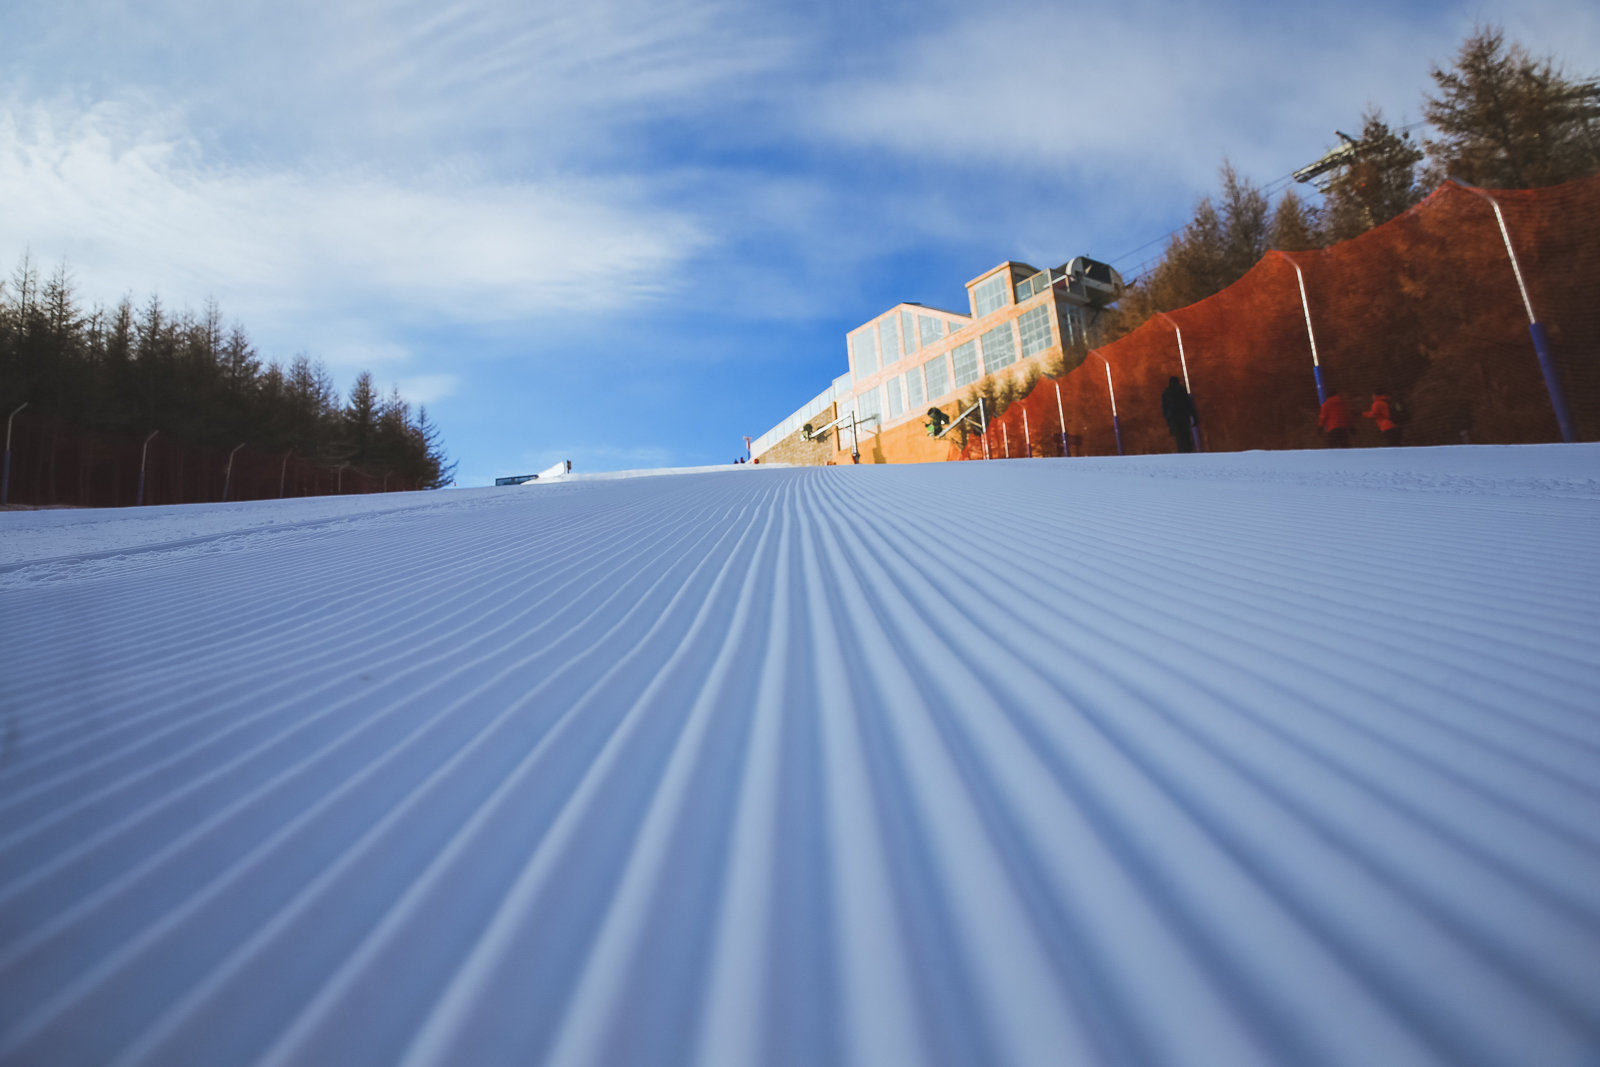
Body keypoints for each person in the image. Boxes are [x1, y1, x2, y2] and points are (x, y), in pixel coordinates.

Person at [1160, 376, 1197, 453]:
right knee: (1186, 436)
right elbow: (1189, 404)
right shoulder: (1182, 390)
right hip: (1183, 417)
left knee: (1179, 438)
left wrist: (1167, 419)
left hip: (1173, 418)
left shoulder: (1166, 392)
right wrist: (1194, 416)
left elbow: (1164, 407)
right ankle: (1189, 452)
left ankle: (1182, 452)